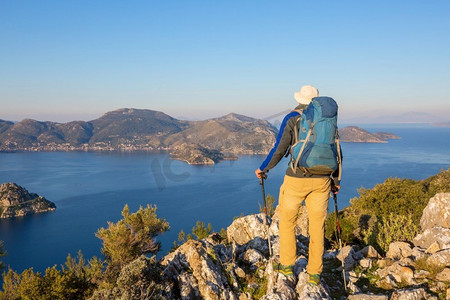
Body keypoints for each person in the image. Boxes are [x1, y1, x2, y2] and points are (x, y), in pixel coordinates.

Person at [255, 85, 341, 286]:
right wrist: (335, 182)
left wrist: (263, 168)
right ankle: (314, 274)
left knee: (287, 222)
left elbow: (279, 148)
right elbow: (336, 150)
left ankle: (286, 266)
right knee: (317, 227)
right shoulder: (327, 120)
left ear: (299, 98)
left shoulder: (292, 117)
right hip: (322, 180)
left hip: (296, 179)